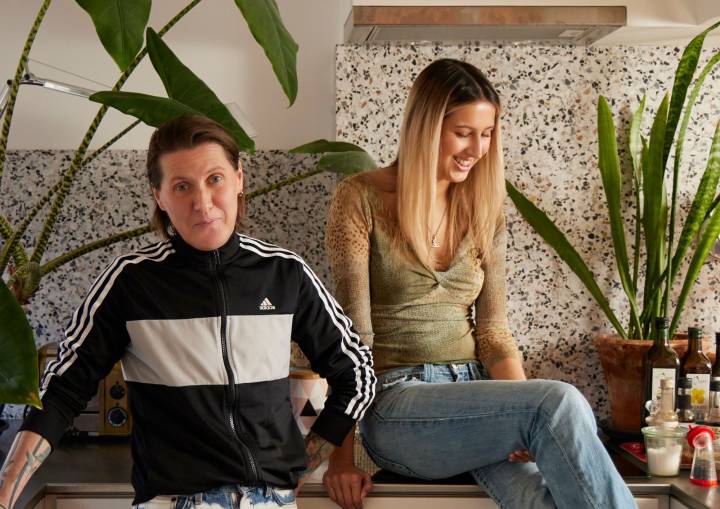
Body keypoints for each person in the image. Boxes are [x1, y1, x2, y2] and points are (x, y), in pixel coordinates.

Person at [0, 115, 376, 509]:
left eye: (215, 179)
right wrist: (5, 495)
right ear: (159, 196)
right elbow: (60, 393)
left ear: (239, 179)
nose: (203, 203)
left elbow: (357, 372)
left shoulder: (284, 273)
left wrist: (301, 465)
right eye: (182, 187)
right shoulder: (130, 283)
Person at [322, 58, 635, 509]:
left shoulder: (482, 206)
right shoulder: (361, 197)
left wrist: (517, 410)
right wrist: (341, 460)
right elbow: (352, 339)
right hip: (398, 405)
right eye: (464, 132)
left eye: (487, 134)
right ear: (426, 127)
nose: (478, 148)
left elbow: (493, 333)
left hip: (479, 399)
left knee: (542, 500)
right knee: (560, 403)